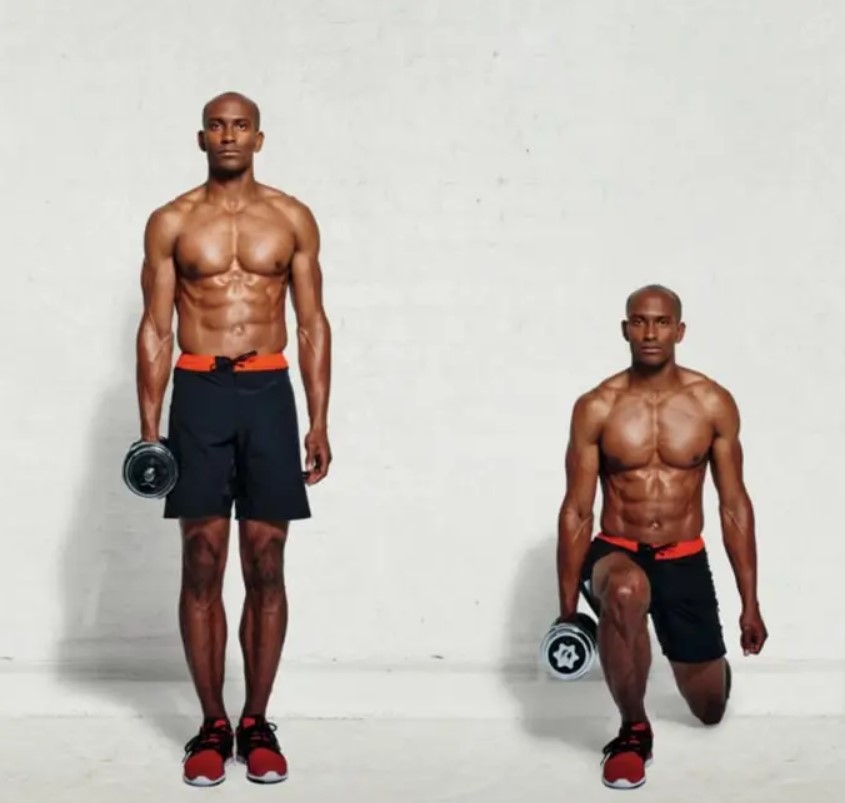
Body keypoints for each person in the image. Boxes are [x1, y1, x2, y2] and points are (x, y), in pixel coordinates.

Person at [134, 91, 332, 787]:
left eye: (239, 125)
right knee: (201, 557)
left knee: (267, 558)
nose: (228, 135)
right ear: (200, 138)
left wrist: (318, 418)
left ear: (259, 137)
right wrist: (148, 432)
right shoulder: (172, 221)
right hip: (199, 394)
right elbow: (156, 327)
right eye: (216, 125)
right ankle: (211, 723)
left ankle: (257, 720)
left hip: (269, 393)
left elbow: (311, 323)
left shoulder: (290, 217)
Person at [555, 284, 767, 790]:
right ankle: (633, 732)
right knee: (627, 590)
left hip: (683, 558)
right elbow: (577, 510)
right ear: (625, 329)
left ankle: (704, 669)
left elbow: (734, 506)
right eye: (639, 321)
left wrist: (750, 602)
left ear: (680, 330)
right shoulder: (597, 406)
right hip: (617, 552)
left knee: (709, 709)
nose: (650, 332)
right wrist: (567, 612)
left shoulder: (712, 402)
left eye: (661, 322)